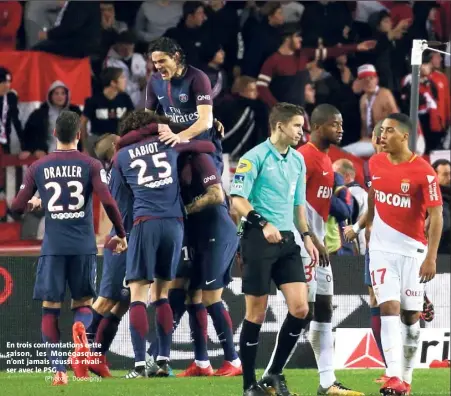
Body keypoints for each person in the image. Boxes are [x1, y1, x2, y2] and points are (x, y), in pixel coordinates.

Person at [10, 110, 127, 386]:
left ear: (54, 134)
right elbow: (108, 202)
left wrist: (38, 203)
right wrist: (121, 233)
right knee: (84, 304)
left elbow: (16, 208)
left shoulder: (38, 167)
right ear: (78, 135)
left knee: (50, 309)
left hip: (53, 247)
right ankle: (80, 330)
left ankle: (59, 371)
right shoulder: (90, 165)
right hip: (83, 246)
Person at [113, 110, 215, 379]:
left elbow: (120, 204)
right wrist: (166, 132)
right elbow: (207, 145)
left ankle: (138, 365)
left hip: (145, 222)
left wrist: (121, 235)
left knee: (138, 293)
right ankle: (163, 359)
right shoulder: (169, 142)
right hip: (175, 224)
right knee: (161, 293)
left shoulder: (121, 155)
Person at [230, 103, 319, 396]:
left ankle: (274, 372)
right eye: (296, 126)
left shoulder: (297, 161)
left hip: (287, 241)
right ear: (279, 126)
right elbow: (237, 200)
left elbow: (298, 205)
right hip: (257, 239)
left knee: (301, 308)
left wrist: (306, 236)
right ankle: (248, 386)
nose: (301, 132)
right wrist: (262, 222)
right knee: (256, 313)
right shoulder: (252, 157)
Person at [366, 113, 443, 396]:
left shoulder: (424, 171)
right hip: (381, 250)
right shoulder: (374, 163)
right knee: (388, 308)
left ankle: (406, 380)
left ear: (404, 136)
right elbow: (374, 197)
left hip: (413, 252)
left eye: (388, 131)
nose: (382, 136)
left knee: (411, 320)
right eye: (381, 131)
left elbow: (437, 215)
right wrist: (365, 225)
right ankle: (393, 375)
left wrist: (431, 257)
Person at [291, 104, 363, 396]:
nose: (341, 129)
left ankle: (327, 383)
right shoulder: (303, 158)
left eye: (342, 123)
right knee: (300, 313)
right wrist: (306, 237)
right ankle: (270, 375)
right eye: (335, 124)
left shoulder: (326, 159)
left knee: (323, 312)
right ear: (318, 127)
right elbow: (290, 203)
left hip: (320, 249)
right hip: (303, 246)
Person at [176, 152, 241, 377]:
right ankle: (202, 362)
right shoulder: (175, 161)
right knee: (192, 295)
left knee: (211, 297)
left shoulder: (199, 157)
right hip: (200, 236)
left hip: (217, 234)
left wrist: (186, 209)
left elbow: (217, 196)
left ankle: (233, 359)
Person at [83, 133, 135, 378]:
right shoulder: (121, 169)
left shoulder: (117, 169)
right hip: (121, 241)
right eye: (122, 139)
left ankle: (98, 355)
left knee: (122, 303)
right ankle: (82, 353)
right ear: (115, 147)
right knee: (105, 300)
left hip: (128, 239)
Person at [145, 36, 223, 173]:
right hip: (174, 149)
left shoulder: (198, 78)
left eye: (162, 61)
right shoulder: (154, 81)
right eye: (155, 62)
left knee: (214, 192)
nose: (158, 67)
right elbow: (147, 117)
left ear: (175, 57)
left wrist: (180, 137)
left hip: (202, 145)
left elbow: (206, 121)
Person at [80, 67, 134, 154]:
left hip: (120, 141)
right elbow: (82, 122)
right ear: (113, 83)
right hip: (98, 142)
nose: (125, 80)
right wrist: (85, 147)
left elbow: (133, 119)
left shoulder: (125, 98)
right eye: (122, 77)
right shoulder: (94, 100)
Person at [333, 158, 368, 255]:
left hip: (352, 249)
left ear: (347, 177)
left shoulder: (348, 194)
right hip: (366, 246)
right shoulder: (363, 193)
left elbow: (345, 222)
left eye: (335, 174)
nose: (333, 178)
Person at [432, 159, 450, 254]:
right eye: (445, 174)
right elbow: (445, 225)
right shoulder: (434, 198)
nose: (449, 178)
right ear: (435, 176)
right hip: (441, 252)